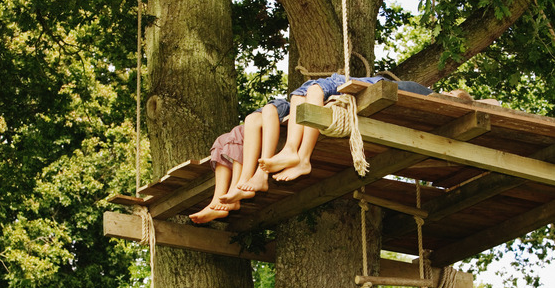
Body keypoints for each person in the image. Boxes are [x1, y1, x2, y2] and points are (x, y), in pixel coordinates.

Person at [258, 74, 445, 181]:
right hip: (370, 84)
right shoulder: (418, 90)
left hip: (356, 85)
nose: (447, 93)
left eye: (451, 93)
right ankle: (293, 153)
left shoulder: (430, 94)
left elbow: (462, 99)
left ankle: (298, 155)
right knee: (299, 96)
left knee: (313, 88)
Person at [189, 98, 289, 223]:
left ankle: (237, 187)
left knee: (238, 132)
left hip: (276, 118)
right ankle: (216, 200)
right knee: (222, 140)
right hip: (263, 120)